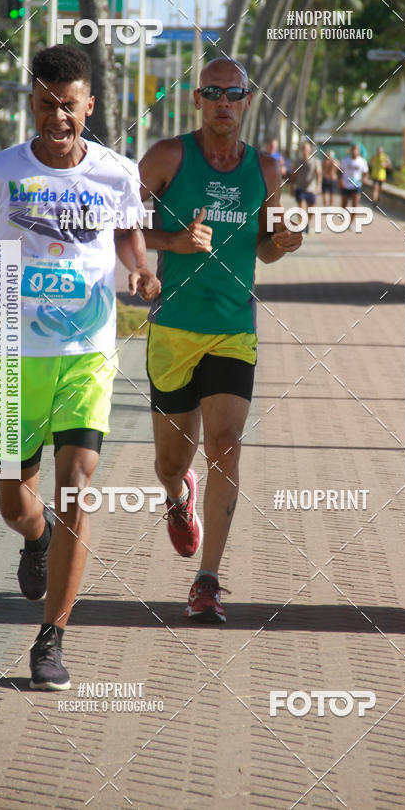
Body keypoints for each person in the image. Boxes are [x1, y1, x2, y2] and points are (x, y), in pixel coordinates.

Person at [0, 45, 160, 690]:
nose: (58, 116)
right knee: (17, 504)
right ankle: (35, 542)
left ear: (88, 105)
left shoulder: (117, 173)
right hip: (14, 348)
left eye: (70, 105)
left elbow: (126, 232)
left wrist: (142, 266)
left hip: (86, 353)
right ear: (32, 103)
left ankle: (52, 639)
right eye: (47, 104)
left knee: (75, 486)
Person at [138, 57, 302, 623]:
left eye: (233, 94)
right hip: (174, 329)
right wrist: (174, 243)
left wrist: (284, 242)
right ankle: (178, 496)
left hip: (234, 329)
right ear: (197, 99)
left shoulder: (267, 169)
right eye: (212, 93)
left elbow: (265, 248)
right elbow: (120, 223)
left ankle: (206, 581)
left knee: (226, 444)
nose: (222, 103)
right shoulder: (166, 157)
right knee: (171, 460)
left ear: (248, 101)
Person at [291, 141, 321, 230]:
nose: (304, 150)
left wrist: (319, 186)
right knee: (302, 208)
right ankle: (301, 227)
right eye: (303, 148)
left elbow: (319, 174)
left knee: (311, 211)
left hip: (311, 189)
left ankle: (306, 223)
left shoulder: (315, 161)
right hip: (300, 188)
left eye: (306, 148)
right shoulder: (298, 161)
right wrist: (292, 186)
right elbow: (293, 174)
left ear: (310, 150)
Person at [338, 143, 369, 227]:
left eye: (357, 150)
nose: (355, 151)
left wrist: (365, 178)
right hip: (346, 185)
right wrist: (340, 180)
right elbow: (339, 171)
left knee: (354, 206)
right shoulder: (345, 160)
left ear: (359, 151)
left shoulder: (362, 161)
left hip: (356, 185)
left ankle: (350, 223)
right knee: (344, 205)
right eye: (353, 149)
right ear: (351, 150)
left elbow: (366, 173)